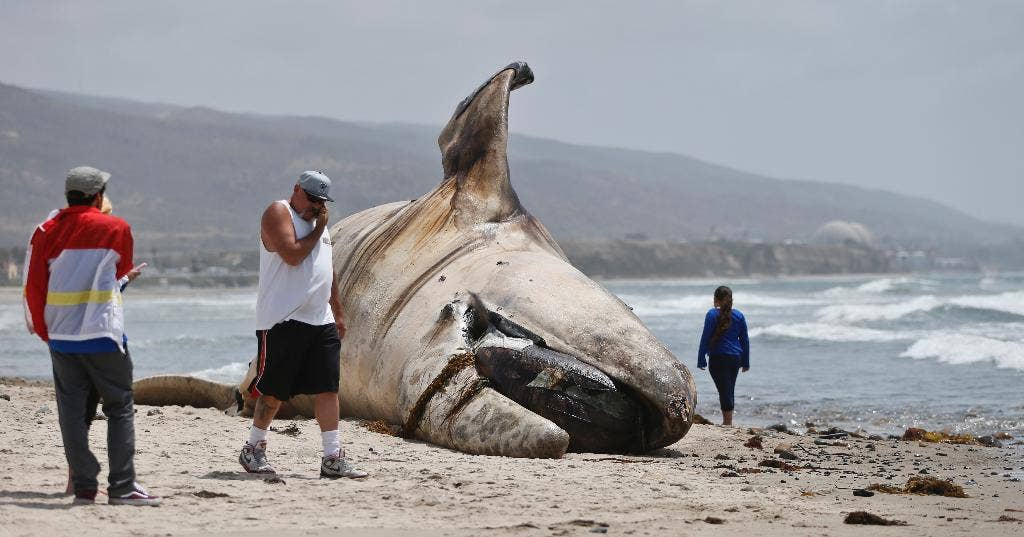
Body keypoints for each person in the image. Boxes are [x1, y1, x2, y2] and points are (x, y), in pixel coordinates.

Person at [24, 166, 160, 505]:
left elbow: (35, 286)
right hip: (102, 334)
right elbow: (117, 271)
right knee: (119, 406)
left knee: (70, 412)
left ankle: (84, 485)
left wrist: (46, 332)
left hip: (61, 337)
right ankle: (122, 486)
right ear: (98, 196)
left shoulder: (45, 231)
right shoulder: (117, 227)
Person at [239, 170, 367, 479]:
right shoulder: (278, 212)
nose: (314, 206)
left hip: (318, 319)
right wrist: (319, 227)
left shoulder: (318, 226)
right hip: (283, 319)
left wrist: (336, 310)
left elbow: (326, 267)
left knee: (327, 388)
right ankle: (253, 448)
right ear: (296, 190)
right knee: (273, 391)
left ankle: (332, 457)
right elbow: (293, 255)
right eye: (310, 199)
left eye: (320, 202)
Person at [696, 285, 750, 426]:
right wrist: (746, 361)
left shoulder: (712, 314)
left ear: (716, 299)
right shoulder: (739, 315)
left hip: (718, 358)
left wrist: (701, 358)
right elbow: (744, 339)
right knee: (728, 388)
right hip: (735, 359)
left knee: (725, 390)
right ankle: (728, 421)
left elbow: (705, 338)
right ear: (731, 300)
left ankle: (727, 423)